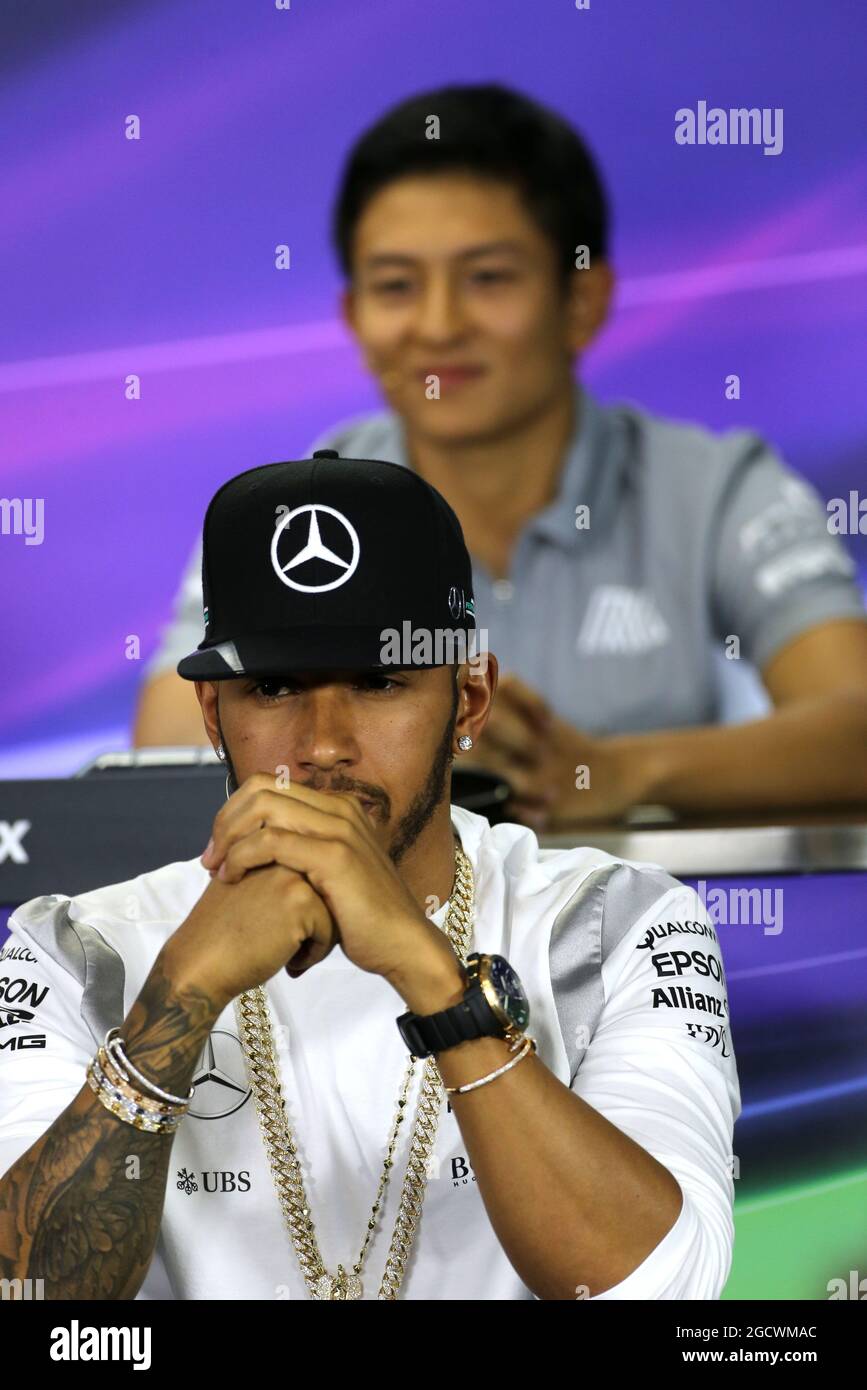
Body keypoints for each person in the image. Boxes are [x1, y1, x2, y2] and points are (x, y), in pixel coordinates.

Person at [0, 455, 739, 1300]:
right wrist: (181, 993)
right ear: (212, 715)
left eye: (378, 682)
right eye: (273, 687)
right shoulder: (75, 948)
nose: (322, 743)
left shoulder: (616, 921)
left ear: (468, 699)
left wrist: (431, 978)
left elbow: (666, 1290)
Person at [132, 84, 867, 828]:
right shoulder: (294, 510)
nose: (439, 324)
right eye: (396, 285)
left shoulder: (712, 487)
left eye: (487, 278)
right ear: (354, 317)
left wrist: (618, 771)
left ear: (581, 299)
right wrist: (407, 741)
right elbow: (157, 748)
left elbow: (856, 726)